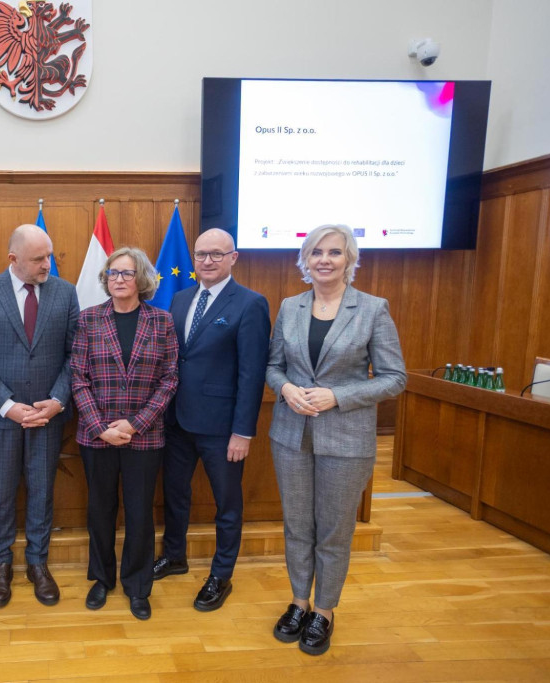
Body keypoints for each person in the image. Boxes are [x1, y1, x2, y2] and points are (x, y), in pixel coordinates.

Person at [266, 224, 406, 656]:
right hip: (291, 434)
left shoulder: (372, 309)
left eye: (334, 252)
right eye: (316, 252)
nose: (324, 259)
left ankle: (324, 611)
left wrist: (338, 396)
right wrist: (286, 389)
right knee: (296, 525)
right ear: (305, 260)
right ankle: (298, 602)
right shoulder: (290, 306)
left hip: (346, 440)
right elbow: (273, 366)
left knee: (333, 531)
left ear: (350, 259)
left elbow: (394, 378)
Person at [153, 228, 271, 613]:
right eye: (201, 254)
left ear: (233, 258)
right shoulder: (182, 298)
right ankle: (175, 555)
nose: (206, 261)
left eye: (216, 255)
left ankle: (221, 574)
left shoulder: (250, 304)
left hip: (223, 429)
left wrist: (243, 431)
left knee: (227, 504)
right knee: (175, 495)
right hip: (177, 422)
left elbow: (252, 374)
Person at [0, 224, 80, 608]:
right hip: (2, 417)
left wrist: (58, 399)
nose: (48, 264)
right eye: (38, 259)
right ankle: (1, 566)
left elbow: (73, 355)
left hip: (48, 415)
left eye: (49, 255)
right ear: (13, 259)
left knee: (42, 491)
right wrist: (8, 405)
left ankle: (38, 564)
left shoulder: (65, 293)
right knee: (0, 495)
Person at [70, 247, 178, 620]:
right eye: (113, 273)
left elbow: (169, 379)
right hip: (96, 436)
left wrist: (135, 424)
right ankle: (102, 579)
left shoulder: (161, 321)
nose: (118, 279)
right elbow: (78, 378)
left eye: (127, 273)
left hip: (143, 436)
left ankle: (137, 585)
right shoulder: (88, 320)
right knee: (100, 510)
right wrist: (100, 427)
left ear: (142, 279)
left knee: (139, 513)